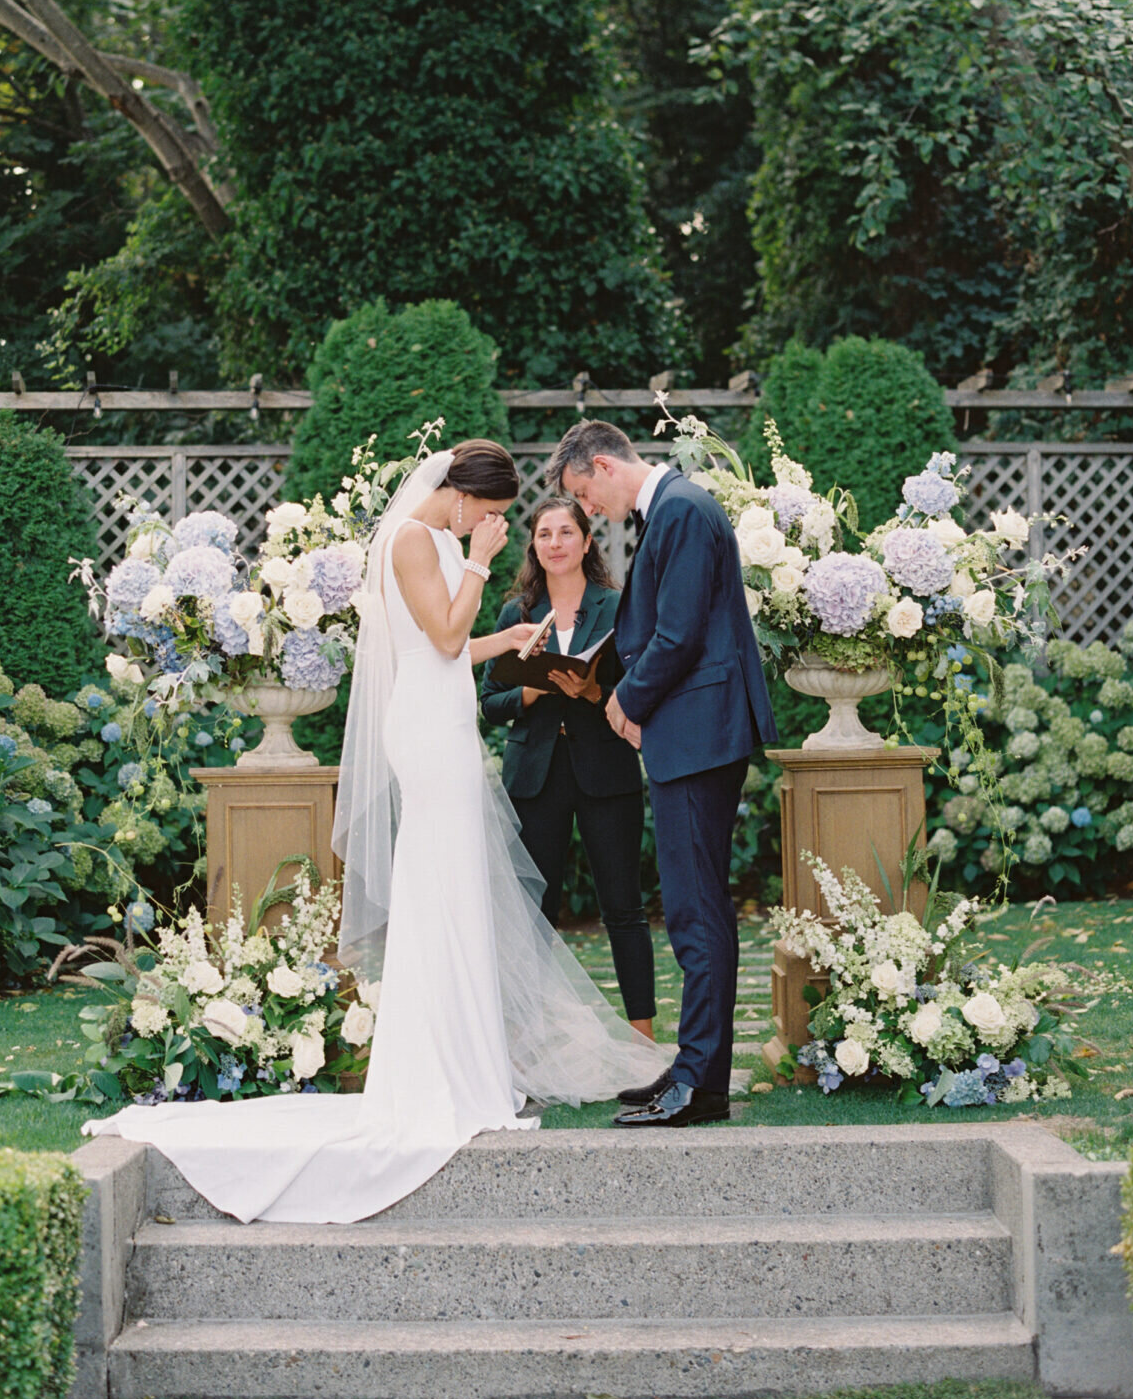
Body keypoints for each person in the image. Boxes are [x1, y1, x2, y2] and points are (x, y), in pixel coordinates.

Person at [85, 439, 662, 1222]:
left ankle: (464, 1061)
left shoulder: (430, 540)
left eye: (493, 521)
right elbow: (449, 635)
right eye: (488, 515)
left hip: (443, 714)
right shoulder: (413, 540)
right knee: (441, 885)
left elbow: (448, 649)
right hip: (428, 734)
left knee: (451, 887)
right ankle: (435, 1073)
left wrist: (511, 641)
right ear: (460, 497)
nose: (489, 527)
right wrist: (484, 564)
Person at [549, 418, 777, 1130]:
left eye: (584, 494)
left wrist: (625, 698)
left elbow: (677, 634)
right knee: (694, 907)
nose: (588, 511)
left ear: (605, 466)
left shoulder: (679, 510)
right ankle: (694, 1070)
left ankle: (700, 1085)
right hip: (693, 732)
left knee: (694, 910)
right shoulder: (676, 509)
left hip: (699, 733)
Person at [481, 495, 655, 1038]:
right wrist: (528, 696)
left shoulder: (618, 605)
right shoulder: (517, 613)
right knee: (534, 912)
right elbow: (488, 702)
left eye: (565, 533)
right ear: (533, 546)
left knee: (623, 907)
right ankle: (529, 1037)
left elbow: (641, 688)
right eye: (544, 535)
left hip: (606, 771)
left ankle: (644, 1034)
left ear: (585, 540)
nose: (554, 544)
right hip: (535, 776)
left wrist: (593, 689)